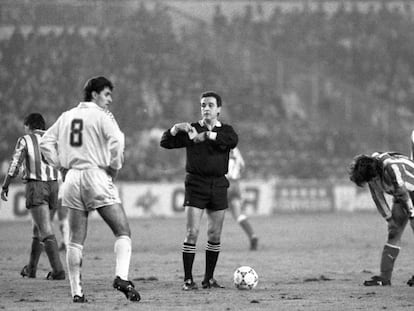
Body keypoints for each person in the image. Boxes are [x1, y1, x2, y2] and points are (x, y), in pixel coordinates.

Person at [39, 76, 140, 303]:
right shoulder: (101, 116)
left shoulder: (66, 116)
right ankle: (121, 277)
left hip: (72, 178)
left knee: (75, 240)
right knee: (122, 230)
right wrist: (114, 168)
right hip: (96, 174)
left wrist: (60, 165)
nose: (110, 100)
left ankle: (77, 292)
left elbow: (45, 142)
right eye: (107, 94)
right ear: (94, 94)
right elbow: (118, 140)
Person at [160, 91, 238, 291]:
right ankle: (187, 280)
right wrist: (176, 128)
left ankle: (208, 279)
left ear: (219, 109)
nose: (206, 108)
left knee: (214, 234)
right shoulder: (191, 129)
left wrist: (207, 136)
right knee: (192, 232)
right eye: (203, 105)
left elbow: (232, 141)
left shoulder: (226, 131)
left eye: (211, 105)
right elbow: (165, 142)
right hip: (196, 184)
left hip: (219, 184)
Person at [1, 113, 65, 280]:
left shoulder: (26, 139)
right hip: (53, 185)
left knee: (44, 228)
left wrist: (6, 184)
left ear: (29, 126)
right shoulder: (54, 139)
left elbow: (15, 163)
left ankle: (58, 271)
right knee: (39, 229)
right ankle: (31, 268)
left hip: (36, 185)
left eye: (25, 127)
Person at [348, 151, 414, 286]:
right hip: (402, 195)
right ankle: (385, 277)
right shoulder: (371, 173)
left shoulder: (392, 167)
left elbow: (403, 193)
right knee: (393, 232)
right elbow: (378, 197)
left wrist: (412, 214)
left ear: (376, 173)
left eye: (371, 179)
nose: (371, 183)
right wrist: (389, 219)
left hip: (408, 192)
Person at [227, 147, 258, 250]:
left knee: (213, 211)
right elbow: (242, 166)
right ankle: (252, 235)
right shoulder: (235, 149)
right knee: (238, 214)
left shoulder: (217, 143)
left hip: (223, 184)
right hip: (235, 184)